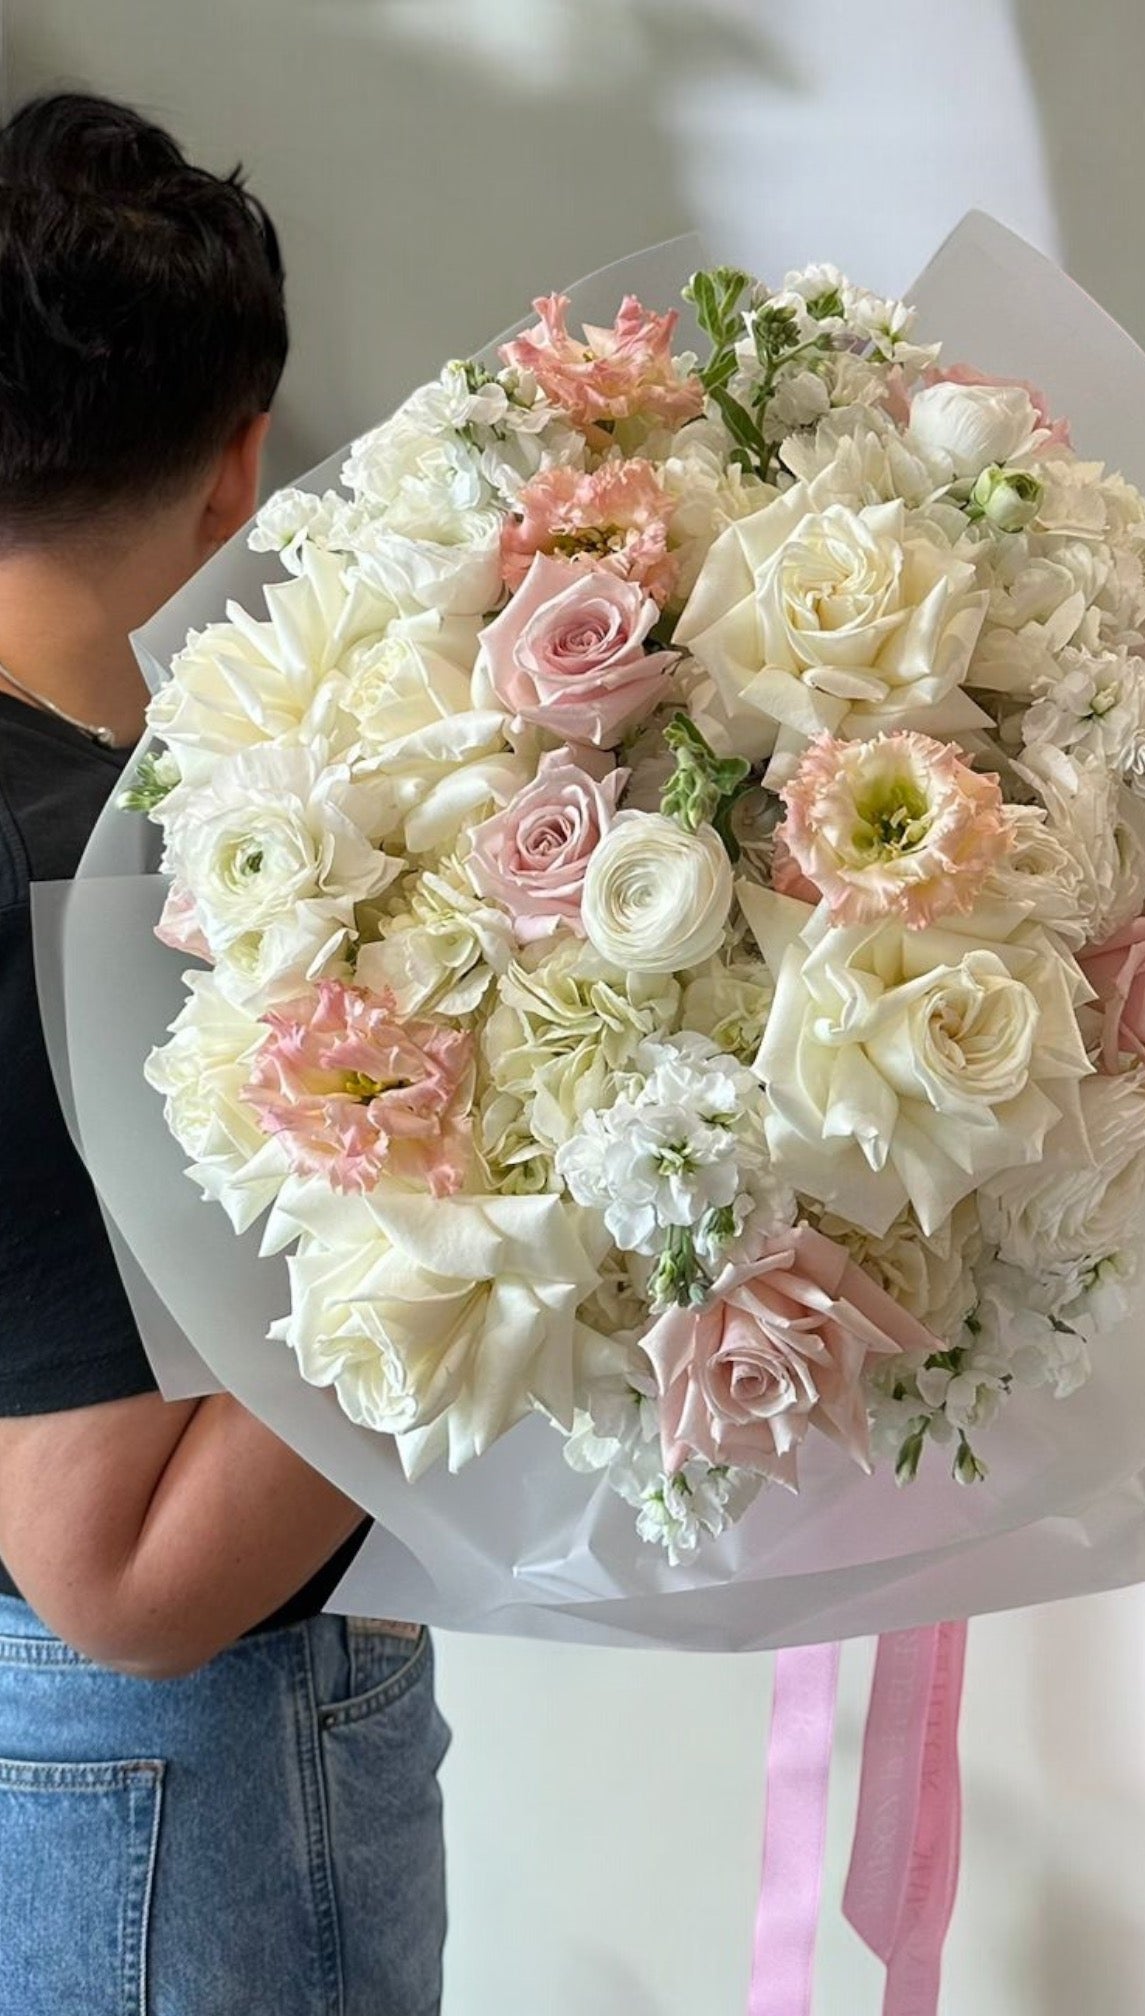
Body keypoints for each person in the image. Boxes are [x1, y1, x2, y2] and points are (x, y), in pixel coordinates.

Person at [0, 94, 448, 2016]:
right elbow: (124, 1581)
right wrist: (501, 1207)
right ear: (239, 461)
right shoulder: (98, 879)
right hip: (153, 1775)